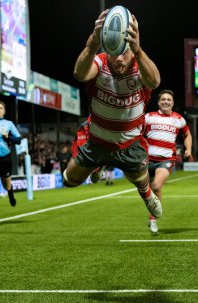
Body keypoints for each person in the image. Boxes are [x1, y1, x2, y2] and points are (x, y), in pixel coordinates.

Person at [63, 8, 163, 219]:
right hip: (97, 140)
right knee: (69, 181)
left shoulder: (139, 65)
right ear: (106, 48)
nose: (118, 59)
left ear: (130, 47)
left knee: (139, 180)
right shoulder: (99, 62)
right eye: (113, 51)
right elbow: (79, 74)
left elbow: (154, 81)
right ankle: (98, 163)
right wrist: (91, 45)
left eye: (123, 52)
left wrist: (138, 51)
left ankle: (147, 196)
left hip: (129, 143)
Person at [143, 89, 192, 233]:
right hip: (147, 160)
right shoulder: (149, 117)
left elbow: (187, 134)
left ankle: (153, 219)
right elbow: (137, 133)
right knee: (147, 190)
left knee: (157, 186)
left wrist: (188, 148)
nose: (166, 101)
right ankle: (153, 214)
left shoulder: (178, 119)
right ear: (158, 102)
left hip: (166, 160)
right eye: (163, 99)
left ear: (173, 103)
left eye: (168, 100)